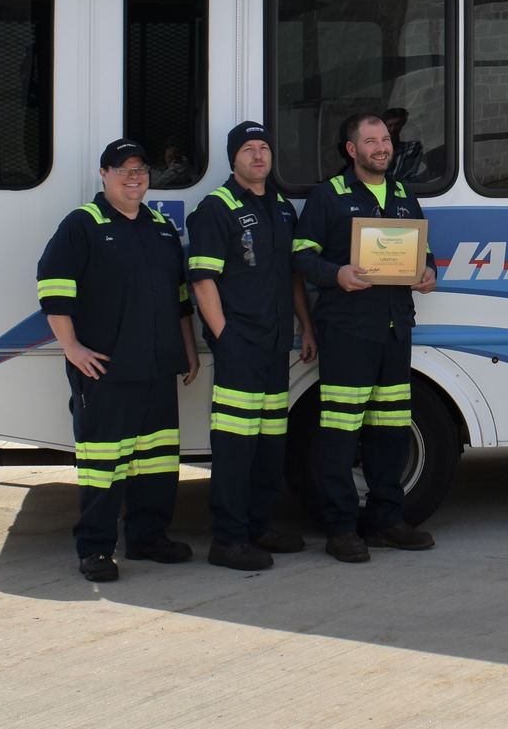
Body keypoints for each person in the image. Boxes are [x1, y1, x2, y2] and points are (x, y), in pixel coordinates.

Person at [35, 138, 200, 582]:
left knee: (158, 462)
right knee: (102, 465)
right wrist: (72, 348)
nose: (134, 177)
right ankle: (95, 549)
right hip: (106, 371)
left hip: (159, 367)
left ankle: (148, 538)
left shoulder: (162, 227)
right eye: (123, 169)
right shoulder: (82, 224)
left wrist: (186, 349)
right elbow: (54, 288)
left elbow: (180, 298)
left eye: (141, 169)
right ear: (104, 175)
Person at [292, 113, 439, 563]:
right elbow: (301, 256)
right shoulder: (328, 196)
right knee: (340, 433)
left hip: (395, 328)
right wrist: (335, 273)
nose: (382, 147)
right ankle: (340, 529)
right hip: (348, 332)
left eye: (386, 140)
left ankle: (386, 521)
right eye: (371, 141)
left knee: (391, 431)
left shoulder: (402, 195)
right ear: (351, 150)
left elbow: (424, 252)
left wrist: (430, 272)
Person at [187, 120, 319, 571]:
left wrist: (307, 325)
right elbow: (202, 279)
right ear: (234, 158)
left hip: (276, 345)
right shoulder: (215, 208)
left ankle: (257, 526)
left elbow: (293, 275)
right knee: (234, 446)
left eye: (264, 147)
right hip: (240, 344)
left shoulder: (282, 208)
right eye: (249, 149)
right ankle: (227, 539)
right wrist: (225, 335)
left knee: (269, 444)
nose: (259, 156)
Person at [382, 107, 427, 184]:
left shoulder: (411, 149)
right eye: (390, 125)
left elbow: (408, 176)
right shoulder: (377, 150)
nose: (393, 129)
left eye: (397, 125)